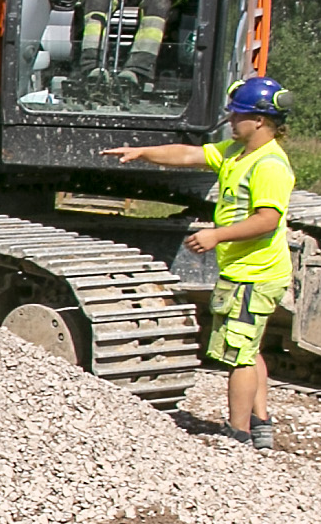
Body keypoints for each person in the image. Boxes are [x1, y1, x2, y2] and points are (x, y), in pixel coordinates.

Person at [107, 74, 295, 447]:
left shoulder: (269, 164)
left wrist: (216, 235)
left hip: (254, 273)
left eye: (237, 114)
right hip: (243, 270)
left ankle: (236, 434)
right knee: (250, 346)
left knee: (238, 353)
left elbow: (267, 219)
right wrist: (143, 152)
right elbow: (189, 154)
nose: (229, 119)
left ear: (260, 120)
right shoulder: (236, 153)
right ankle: (260, 425)